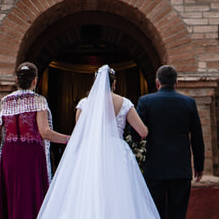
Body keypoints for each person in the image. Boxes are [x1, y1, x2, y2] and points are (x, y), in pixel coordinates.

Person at [36, 64, 159, 219]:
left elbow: (80, 133)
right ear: (114, 83)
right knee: (118, 194)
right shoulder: (125, 103)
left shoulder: (84, 103)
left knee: (87, 192)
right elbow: (143, 131)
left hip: (89, 151)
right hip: (116, 153)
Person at [0, 62, 70, 219]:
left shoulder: (5, 101)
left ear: (16, 80)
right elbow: (45, 132)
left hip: (9, 154)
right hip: (31, 156)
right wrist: (69, 139)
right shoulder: (38, 101)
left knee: (11, 196)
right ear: (35, 81)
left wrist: (5, 147)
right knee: (29, 197)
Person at [136, 65, 204, 219]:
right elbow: (197, 136)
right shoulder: (188, 103)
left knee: (154, 212)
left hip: (154, 167)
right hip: (180, 167)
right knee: (178, 213)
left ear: (157, 83)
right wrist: (199, 166)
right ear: (176, 83)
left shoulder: (146, 102)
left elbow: (135, 133)